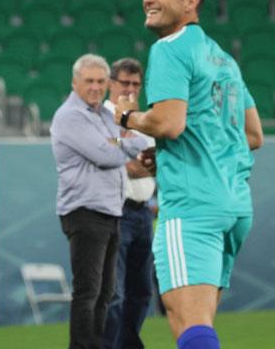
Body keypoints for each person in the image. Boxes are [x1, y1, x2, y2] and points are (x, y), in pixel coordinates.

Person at [113, 0, 263, 349]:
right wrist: (171, 155)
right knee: (196, 323)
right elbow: (253, 134)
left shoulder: (169, 49)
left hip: (191, 205)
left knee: (187, 320)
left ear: (191, 1)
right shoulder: (224, 59)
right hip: (233, 206)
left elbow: (168, 123)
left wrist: (127, 116)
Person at [49, 54, 146, 349]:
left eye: (101, 81)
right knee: (88, 292)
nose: (95, 87)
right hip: (84, 211)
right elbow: (107, 156)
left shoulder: (103, 115)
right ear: (74, 82)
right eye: (89, 80)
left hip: (109, 210)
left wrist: (118, 142)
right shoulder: (69, 115)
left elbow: (141, 143)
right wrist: (120, 143)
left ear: (107, 85)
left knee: (105, 294)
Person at [102, 58, 155, 349]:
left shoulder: (143, 121)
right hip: (116, 209)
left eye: (136, 84)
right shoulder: (101, 118)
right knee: (115, 292)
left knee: (142, 291)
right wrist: (136, 163)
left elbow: (148, 165)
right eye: (125, 83)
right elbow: (126, 165)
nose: (130, 89)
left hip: (144, 210)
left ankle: (129, 344)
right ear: (111, 84)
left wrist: (139, 163)